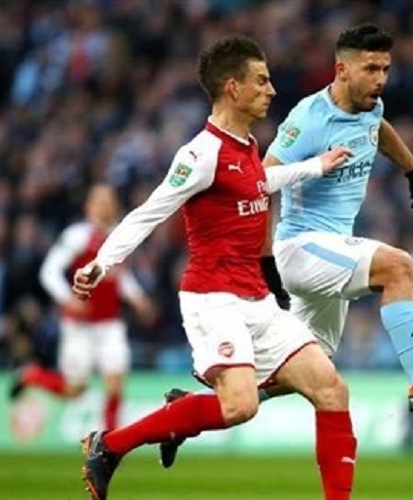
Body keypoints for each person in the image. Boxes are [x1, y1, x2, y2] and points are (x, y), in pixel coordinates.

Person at [73, 35, 355, 500]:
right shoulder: (200, 154)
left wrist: (315, 166)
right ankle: (111, 445)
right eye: (261, 81)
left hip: (256, 299)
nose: (271, 90)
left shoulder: (246, 146)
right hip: (213, 298)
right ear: (233, 88)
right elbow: (151, 210)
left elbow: (260, 181)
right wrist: (103, 261)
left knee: (331, 388)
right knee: (241, 406)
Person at [261, 23, 413, 414]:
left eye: (385, 69)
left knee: (307, 368)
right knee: (399, 266)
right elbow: (259, 184)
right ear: (342, 70)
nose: (381, 79)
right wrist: (263, 260)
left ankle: (192, 407)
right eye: (370, 69)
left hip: (330, 249)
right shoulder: (308, 119)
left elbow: (377, 128)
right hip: (300, 246)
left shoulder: (370, 106)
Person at [10, 184, 154, 431]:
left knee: (115, 383)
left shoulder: (119, 236)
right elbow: (49, 271)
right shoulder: (76, 236)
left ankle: (108, 443)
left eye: (108, 201)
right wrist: (68, 299)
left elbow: (119, 275)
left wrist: (137, 298)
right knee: (74, 389)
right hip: (79, 326)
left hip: (110, 323)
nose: (105, 206)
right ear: (89, 206)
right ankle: (32, 375)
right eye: (99, 201)